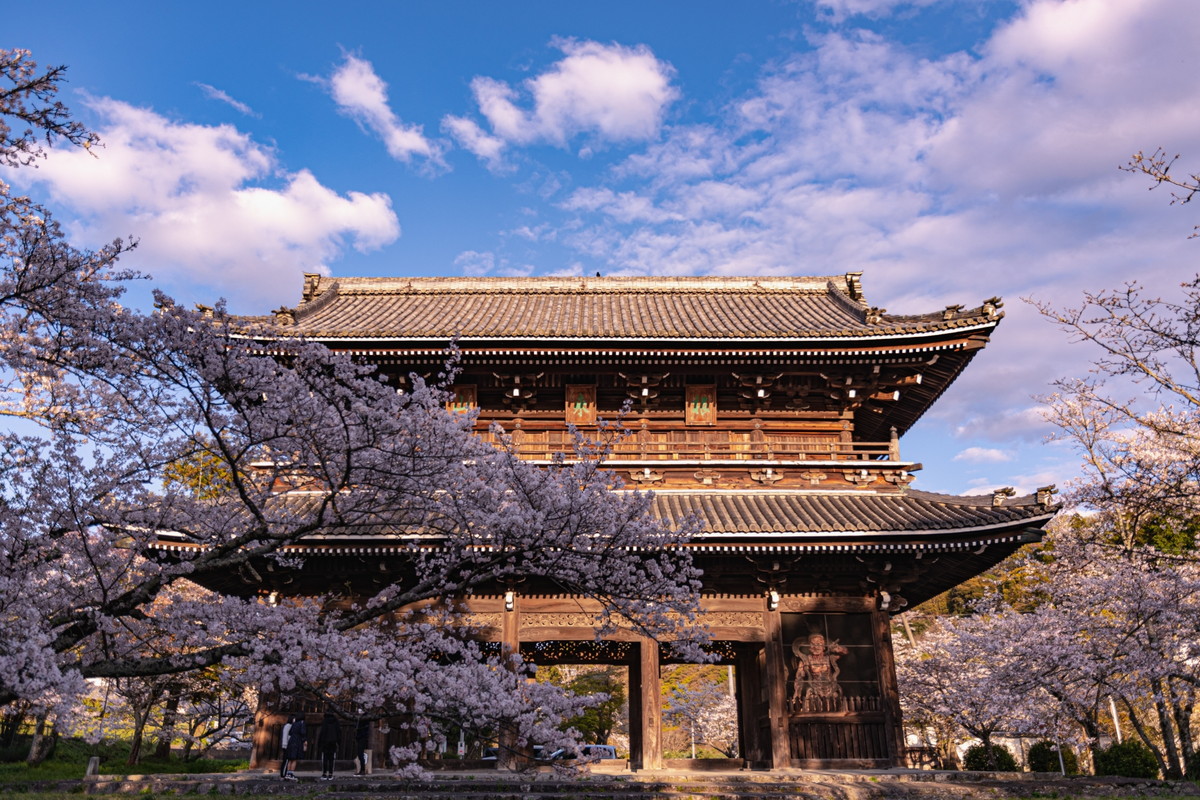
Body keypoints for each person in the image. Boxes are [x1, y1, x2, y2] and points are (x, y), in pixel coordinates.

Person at [790, 633, 849, 713]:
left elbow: (845, 652)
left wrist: (837, 648)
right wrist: (797, 696)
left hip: (831, 690)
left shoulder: (829, 658)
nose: (816, 647)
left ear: (824, 646)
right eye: (813, 644)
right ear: (809, 647)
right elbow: (799, 679)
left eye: (819, 644)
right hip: (814, 692)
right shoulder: (805, 660)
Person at [317, 711, 341, 780]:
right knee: (331, 759)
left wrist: (320, 743)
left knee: (325, 758)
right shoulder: (336, 722)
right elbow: (338, 732)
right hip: (333, 742)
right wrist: (338, 742)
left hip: (325, 742)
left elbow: (322, 733)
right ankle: (330, 774)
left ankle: (324, 773)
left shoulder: (325, 722)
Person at [283, 714, 306, 779]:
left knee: (290, 759)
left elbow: (290, 732)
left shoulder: (294, 724)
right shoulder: (301, 723)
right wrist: (304, 740)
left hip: (291, 741)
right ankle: (291, 774)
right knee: (294, 759)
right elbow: (303, 732)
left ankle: (287, 774)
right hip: (297, 741)